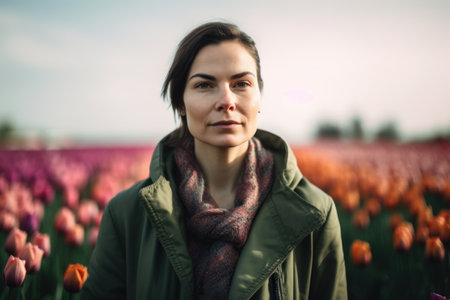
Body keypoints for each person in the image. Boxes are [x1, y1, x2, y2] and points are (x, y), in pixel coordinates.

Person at [80, 21, 347, 300]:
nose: (226, 100)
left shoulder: (314, 212)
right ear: (180, 103)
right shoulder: (127, 214)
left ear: (259, 98)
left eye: (241, 83)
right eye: (205, 85)